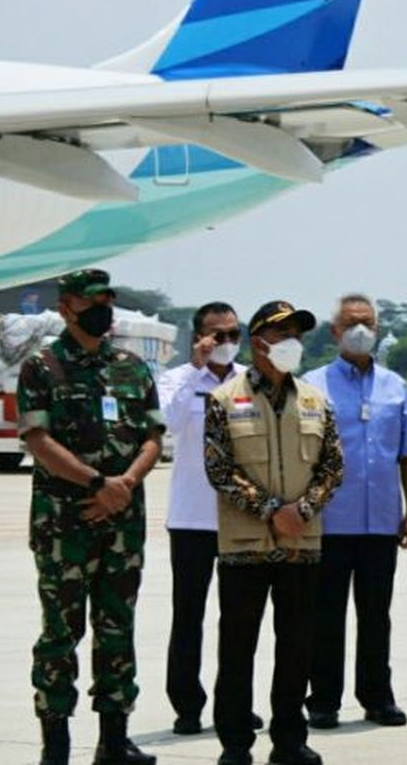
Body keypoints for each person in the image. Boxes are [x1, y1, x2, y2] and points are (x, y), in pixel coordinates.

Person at [17, 269, 164, 765]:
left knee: (117, 626)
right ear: (66, 307)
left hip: (122, 523)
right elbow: (38, 441)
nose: (103, 308)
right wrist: (97, 484)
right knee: (61, 631)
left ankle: (114, 740)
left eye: (107, 299)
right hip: (64, 524)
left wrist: (124, 485)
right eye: (92, 300)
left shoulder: (131, 367)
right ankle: (54, 744)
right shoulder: (43, 366)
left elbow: (152, 436)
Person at [204, 301, 344, 765]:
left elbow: (332, 467)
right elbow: (219, 468)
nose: (292, 342)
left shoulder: (315, 400)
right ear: (258, 340)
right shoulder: (225, 399)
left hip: (300, 544)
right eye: (281, 332)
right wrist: (269, 510)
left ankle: (289, 739)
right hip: (245, 545)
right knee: (238, 647)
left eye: (297, 333)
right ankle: (235, 742)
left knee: (297, 647)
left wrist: (301, 510)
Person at [303, 294, 407, 729]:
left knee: (377, 615)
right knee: (326, 615)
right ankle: (323, 699)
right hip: (330, 521)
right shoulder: (312, 385)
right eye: (352, 323)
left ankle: (377, 696)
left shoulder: (395, 385)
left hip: (380, 523)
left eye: (368, 323)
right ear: (334, 331)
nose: (360, 330)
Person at [157, 302, 263, 735]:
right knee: (189, 615)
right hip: (192, 517)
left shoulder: (249, 381)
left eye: (232, 335)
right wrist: (197, 369)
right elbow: (166, 423)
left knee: (240, 618)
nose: (225, 343)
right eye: (216, 334)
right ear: (198, 336)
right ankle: (186, 704)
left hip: (239, 516)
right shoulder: (177, 379)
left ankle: (234, 702)